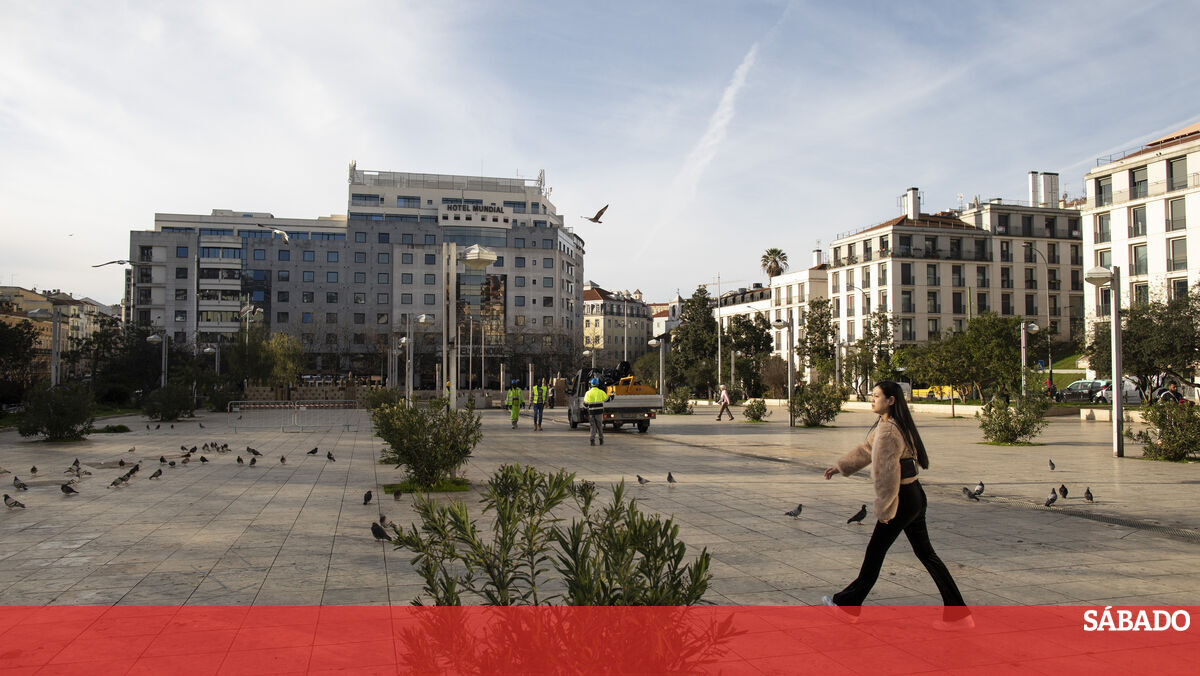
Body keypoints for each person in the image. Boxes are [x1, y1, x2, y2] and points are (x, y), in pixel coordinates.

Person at [822, 380, 971, 628]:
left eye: (876, 396)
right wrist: (840, 466)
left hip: (901, 498)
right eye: (872, 395)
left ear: (891, 400)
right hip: (914, 495)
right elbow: (867, 449)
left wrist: (885, 509)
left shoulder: (890, 430)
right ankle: (959, 615)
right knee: (926, 554)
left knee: (875, 552)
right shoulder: (892, 425)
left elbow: (886, 474)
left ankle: (848, 606)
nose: (872, 399)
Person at [584, 377, 608, 446]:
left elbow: (585, 404)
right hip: (599, 413)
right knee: (599, 426)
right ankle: (601, 440)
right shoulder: (601, 392)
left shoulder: (588, 393)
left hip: (591, 413)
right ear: (597, 384)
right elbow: (607, 399)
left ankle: (592, 440)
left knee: (593, 427)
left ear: (591, 385)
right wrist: (612, 395)